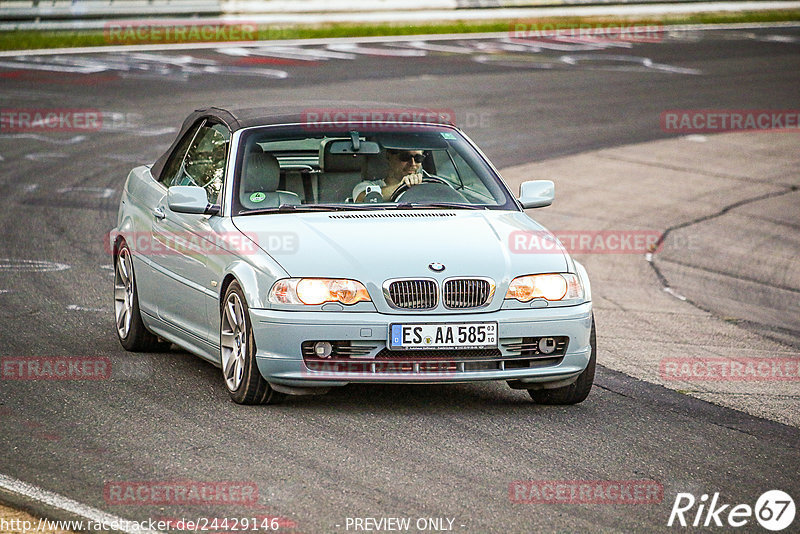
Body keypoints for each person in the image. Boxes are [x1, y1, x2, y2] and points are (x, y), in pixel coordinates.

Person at [352, 149, 426, 203]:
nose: (413, 163)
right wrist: (401, 186)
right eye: (405, 157)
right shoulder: (367, 186)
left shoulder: (429, 184)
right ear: (389, 156)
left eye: (418, 158)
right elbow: (362, 199)